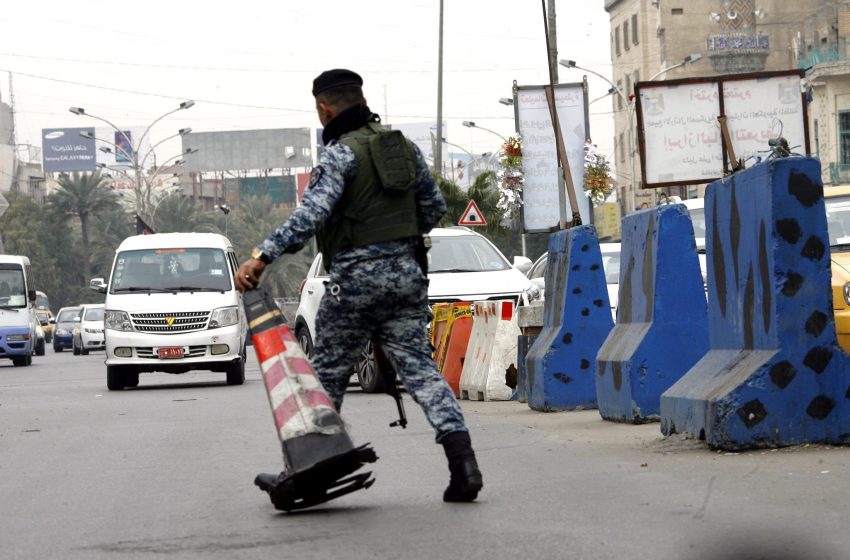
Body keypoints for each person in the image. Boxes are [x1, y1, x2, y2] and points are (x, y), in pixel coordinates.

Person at [236, 68, 483, 503]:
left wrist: (262, 256)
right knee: (421, 370)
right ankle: (464, 466)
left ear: (323, 108)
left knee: (326, 374)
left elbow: (311, 215)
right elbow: (434, 206)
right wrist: (396, 242)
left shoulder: (338, 155)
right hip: (406, 276)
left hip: (353, 281)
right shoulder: (402, 148)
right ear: (361, 100)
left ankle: (311, 468)